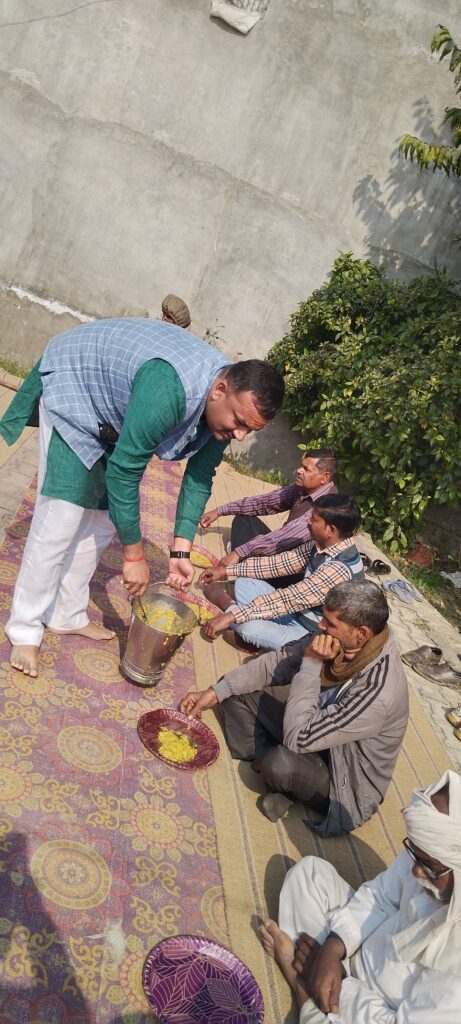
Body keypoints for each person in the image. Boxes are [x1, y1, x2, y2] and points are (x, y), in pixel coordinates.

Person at [0, 317, 284, 678]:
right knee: (63, 517)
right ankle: (25, 628)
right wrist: (134, 554)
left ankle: (66, 614)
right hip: (79, 387)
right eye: (239, 422)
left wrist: (180, 551)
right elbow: (125, 470)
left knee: (102, 523)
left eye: (250, 430)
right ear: (220, 390)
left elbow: (199, 476)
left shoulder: (222, 413)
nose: (240, 436)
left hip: (116, 415)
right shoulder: (169, 386)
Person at [180, 579, 408, 829]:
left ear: (362, 633)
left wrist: (311, 663)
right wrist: (213, 692)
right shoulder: (338, 638)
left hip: (343, 777)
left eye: (330, 624)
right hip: (315, 728)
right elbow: (279, 662)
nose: (321, 626)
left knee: (280, 763)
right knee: (232, 691)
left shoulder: (379, 692)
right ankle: (281, 773)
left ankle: (282, 777)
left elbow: (299, 738)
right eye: (324, 617)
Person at [258, 770, 461, 1023]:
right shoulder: (428, 857)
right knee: (309, 874)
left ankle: (301, 986)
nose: (416, 871)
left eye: (429, 866)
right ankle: (316, 979)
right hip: (357, 951)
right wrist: (333, 948)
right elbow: (381, 897)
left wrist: (341, 983)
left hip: (377, 1008)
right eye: (415, 855)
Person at [199, 495, 363, 651]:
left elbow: (288, 599)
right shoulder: (322, 544)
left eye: (314, 519)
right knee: (244, 582)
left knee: (247, 627)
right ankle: (244, 620)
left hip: (310, 633)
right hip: (293, 613)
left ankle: (230, 610)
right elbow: (278, 564)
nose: (308, 521)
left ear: (330, 530)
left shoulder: (339, 570)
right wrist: (225, 571)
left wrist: (231, 616)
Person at [200, 450, 337, 586]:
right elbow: (263, 503)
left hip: (294, 571)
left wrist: (238, 553)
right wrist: (220, 511)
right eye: (301, 466)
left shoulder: (327, 506)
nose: (299, 470)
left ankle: (244, 575)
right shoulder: (302, 488)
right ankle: (244, 569)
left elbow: (283, 538)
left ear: (324, 477)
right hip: (283, 551)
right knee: (244, 520)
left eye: (306, 469)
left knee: (251, 550)